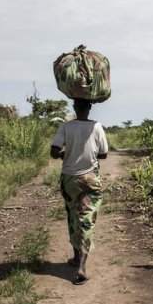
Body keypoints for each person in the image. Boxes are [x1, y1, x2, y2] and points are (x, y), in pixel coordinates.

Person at [50, 99, 108, 284]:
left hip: (70, 179)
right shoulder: (97, 127)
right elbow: (104, 153)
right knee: (87, 219)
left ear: (74, 108)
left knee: (73, 215)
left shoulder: (67, 126)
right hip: (90, 178)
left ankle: (76, 258)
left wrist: (64, 153)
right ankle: (81, 264)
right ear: (89, 108)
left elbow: (53, 151)